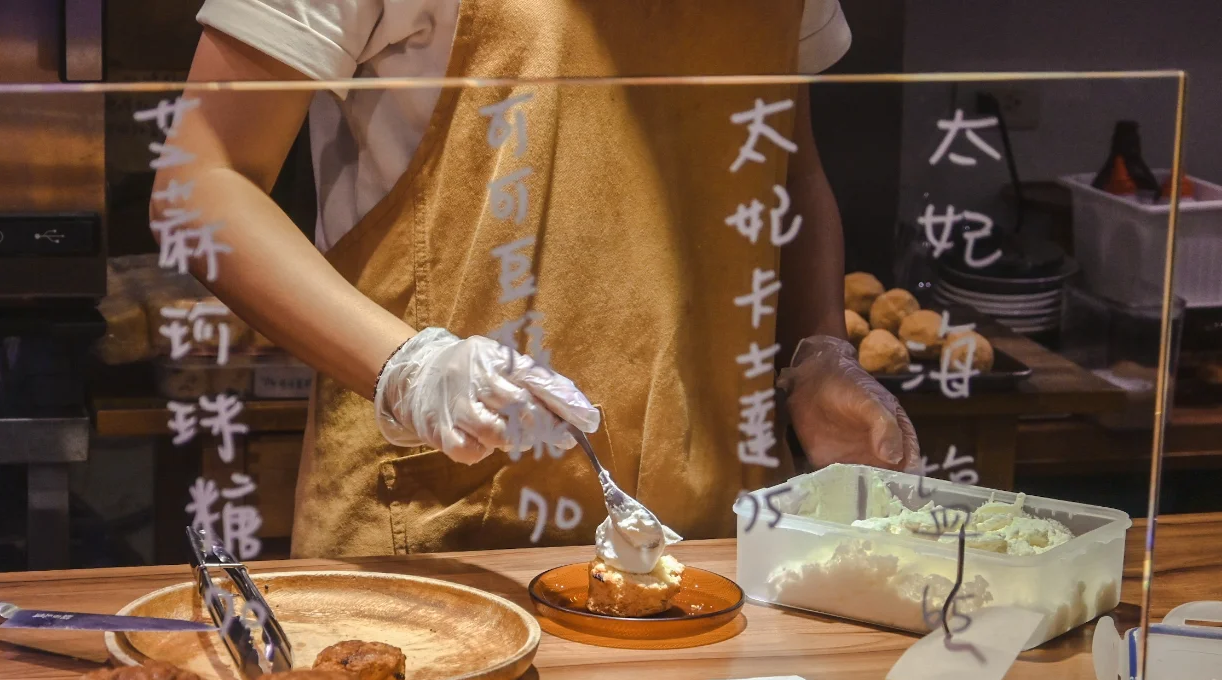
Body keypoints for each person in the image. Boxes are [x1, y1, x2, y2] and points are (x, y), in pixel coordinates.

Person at [159, 0, 919, 557]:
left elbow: (786, 158)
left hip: (718, 539)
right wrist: (408, 367)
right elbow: (202, 179)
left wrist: (816, 355)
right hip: (447, 540)